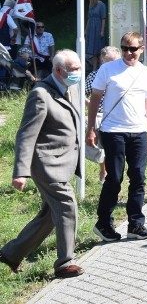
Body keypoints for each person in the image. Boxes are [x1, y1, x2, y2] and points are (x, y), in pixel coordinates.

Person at [0, 49, 85, 278]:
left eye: (79, 67)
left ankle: (11, 253)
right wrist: (20, 172)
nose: (78, 73)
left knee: (50, 216)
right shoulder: (40, 94)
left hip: (64, 162)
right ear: (58, 70)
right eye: (74, 69)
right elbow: (26, 135)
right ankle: (65, 263)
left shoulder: (70, 87)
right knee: (67, 206)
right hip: (47, 164)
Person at [87, 31, 147, 242]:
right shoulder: (108, 69)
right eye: (125, 49)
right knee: (115, 178)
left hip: (138, 131)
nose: (129, 53)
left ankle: (136, 224)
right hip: (113, 131)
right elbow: (95, 99)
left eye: (133, 49)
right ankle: (104, 223)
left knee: (138, 177)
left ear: (141, 50)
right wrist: (91, 128)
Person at [86, 46, 121, 184]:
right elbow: (82, 93)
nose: (113, 65)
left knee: (114, 148)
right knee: (101, 150)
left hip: (117, 116)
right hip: (100, 116)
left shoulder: (122, 74)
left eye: (115, 61)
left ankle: (112, 172)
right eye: (109, 61)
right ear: (102, 61)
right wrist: (90, 105)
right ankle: (104, 170)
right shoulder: (94, 76)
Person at [85, 0, 107, 70]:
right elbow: (89, 18)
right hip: (91, 29)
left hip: (98, 28)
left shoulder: (101, 5)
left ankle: (101, 68)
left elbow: (103, 18)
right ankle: (94, 69)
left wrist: (102, 31)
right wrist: (86, 30)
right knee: (93, 51)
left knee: (99, 50)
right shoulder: (90, 5)